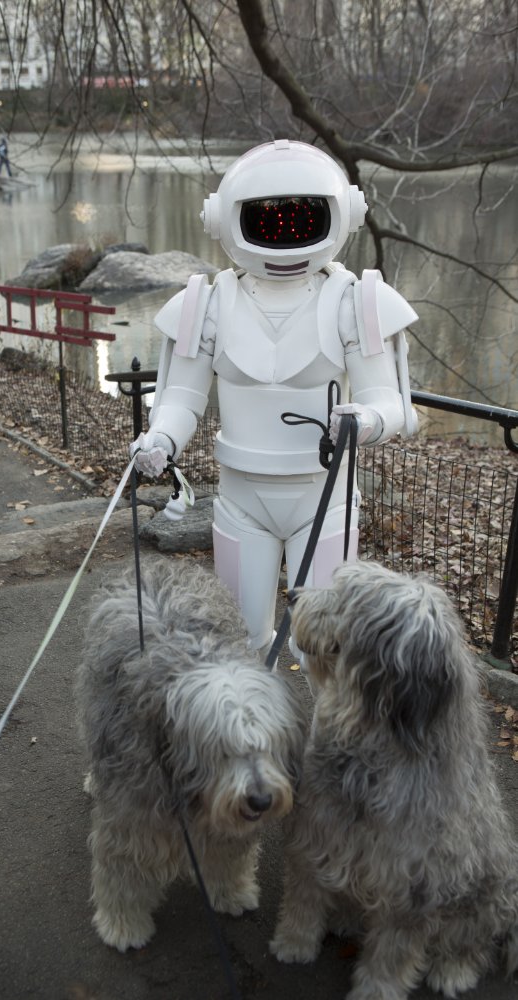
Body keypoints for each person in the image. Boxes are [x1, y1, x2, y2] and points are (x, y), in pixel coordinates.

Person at [131, 139, 419, 658]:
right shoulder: (208, 303)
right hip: (242, 499)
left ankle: (328, 739)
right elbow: (181, 396)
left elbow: (393, 402)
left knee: (325, 650)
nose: (284, 231)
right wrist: (162, 437)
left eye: (301, 218)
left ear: (341, 215)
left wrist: (368, 418)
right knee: (242, 643)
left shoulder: (356, 302)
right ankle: (251, 739)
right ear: (223, 220)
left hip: (325, 499)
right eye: (268, 219)